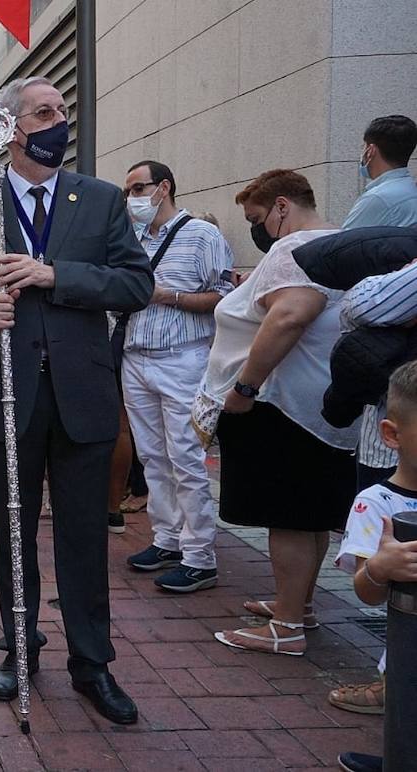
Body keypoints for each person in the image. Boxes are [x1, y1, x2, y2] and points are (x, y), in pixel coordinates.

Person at [0, 76, 152, 724]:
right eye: (45, 111)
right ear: (12, 127)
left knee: (84, 536)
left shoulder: (101, 200)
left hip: (80, 392)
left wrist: (56, 276)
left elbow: (136, 283)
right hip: (3, 394)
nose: (59, 120)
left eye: (63, 109)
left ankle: (92, 663)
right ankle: (19, 648)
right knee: (13, 535)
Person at [196, 169, 354, 656]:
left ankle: (286, 628)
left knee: (287, 516)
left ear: (283, 206)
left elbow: (290, 314)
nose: (257, 229)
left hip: (281, 406)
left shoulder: (296, 249)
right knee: (308, 516)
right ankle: (297, 605)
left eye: (257, 218)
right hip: (317, 407)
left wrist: (244, 387)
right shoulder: (338, 245)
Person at [119, 160, 235, 593]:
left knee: (186, 458)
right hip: (136, 355)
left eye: (138, 188)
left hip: (183, 357)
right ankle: (167, 539)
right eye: (128, 190)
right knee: (152, 456)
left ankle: (200, 556)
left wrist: (169, 295)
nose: (132, 198)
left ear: (163, 187)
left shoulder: (203, 235)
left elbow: (224, 296)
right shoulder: (133, 238)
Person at [331, 361, 417, 772]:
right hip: (408, 650)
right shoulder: (378, 504)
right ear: (392, 434)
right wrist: (381, 567)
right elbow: (367, 592)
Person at [344, 115, 417, 495]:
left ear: (370, 149)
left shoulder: (378, 198)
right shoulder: (409, 194)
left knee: (381, 468)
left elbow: (344, 272)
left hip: (387, 342)